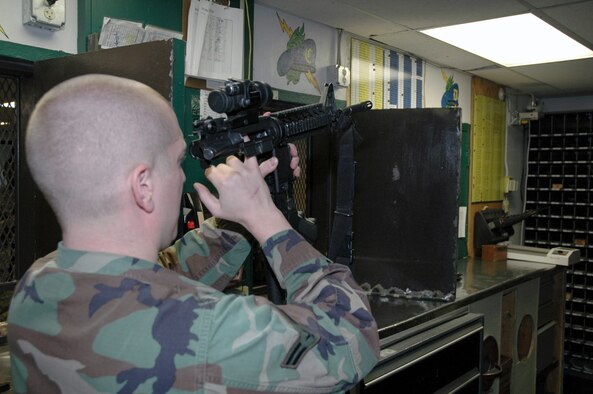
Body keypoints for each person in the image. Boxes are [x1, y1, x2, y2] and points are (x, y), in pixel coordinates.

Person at [8, 74, 380, 394]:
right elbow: (352, 333)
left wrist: (243, 212)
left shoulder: (36, 287)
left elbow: (161, 277)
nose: (185, 175)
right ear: (144, 186)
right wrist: (269, 223)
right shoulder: (203, 331)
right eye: (175, 161)